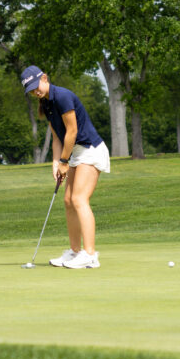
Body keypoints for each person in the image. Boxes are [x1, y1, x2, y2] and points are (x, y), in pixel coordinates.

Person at [20, 65, 110, 269]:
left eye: (37, 87)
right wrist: (55, 162)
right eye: (32, 91)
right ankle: (75, 252)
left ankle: (90, 255)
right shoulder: (46, 104)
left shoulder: (62, 96)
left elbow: (72, 131)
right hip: (74, 152)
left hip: (89, 149)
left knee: (79, 199)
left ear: (44, 78)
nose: (36, 92)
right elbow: (57, 137)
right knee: (68, 200)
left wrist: (63, 161)